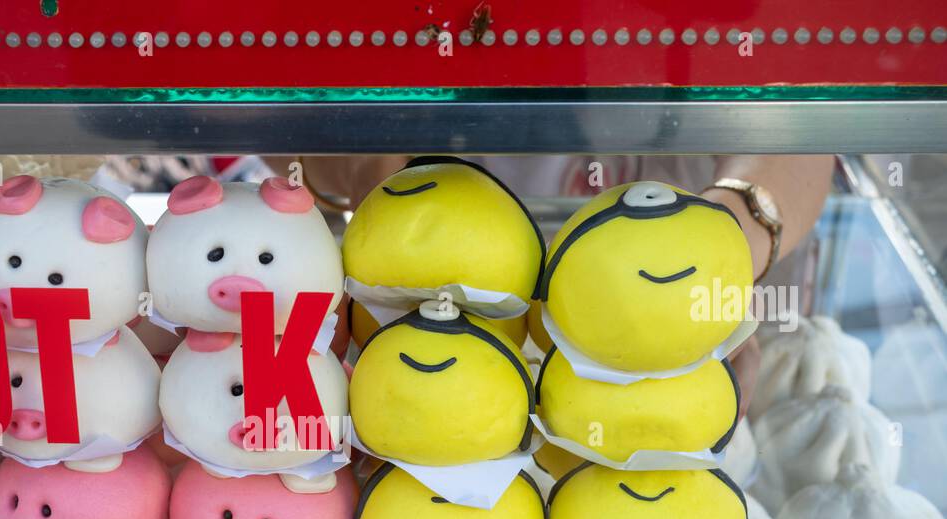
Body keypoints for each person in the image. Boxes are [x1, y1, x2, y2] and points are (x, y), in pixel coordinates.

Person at [284, 153, 836, 414]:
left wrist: (723, 251)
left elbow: (806, 109)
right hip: (425, 283)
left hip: (674, 250)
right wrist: (370, 171)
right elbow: (270, 111)